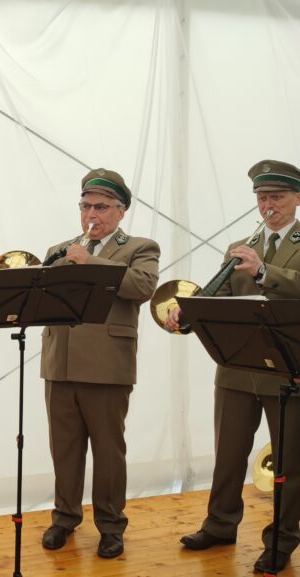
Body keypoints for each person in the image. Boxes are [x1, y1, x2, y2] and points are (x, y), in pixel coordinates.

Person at [174, 160, 300, 573]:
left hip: (288, 369)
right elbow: (221, 294)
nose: (268, 205)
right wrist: (190, 312)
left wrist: (264, 271)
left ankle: (281, 541)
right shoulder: (239, 245)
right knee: (227, 456)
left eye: (276, 197)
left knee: (290, 463)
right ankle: (220, 525)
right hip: (236, 369)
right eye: (262, 198)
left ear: (297, 199)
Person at [38, 168, 159, 559]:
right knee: (64, 449)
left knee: (108, 452)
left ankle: (110, 525)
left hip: (107, 366)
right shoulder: (60, 248)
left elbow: (142, 286)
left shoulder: (139, 247)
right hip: (60, 363)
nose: (92, 214)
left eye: (102, 207)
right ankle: (64, 518)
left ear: (121, 211)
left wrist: (90, 261)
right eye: (86, 206)